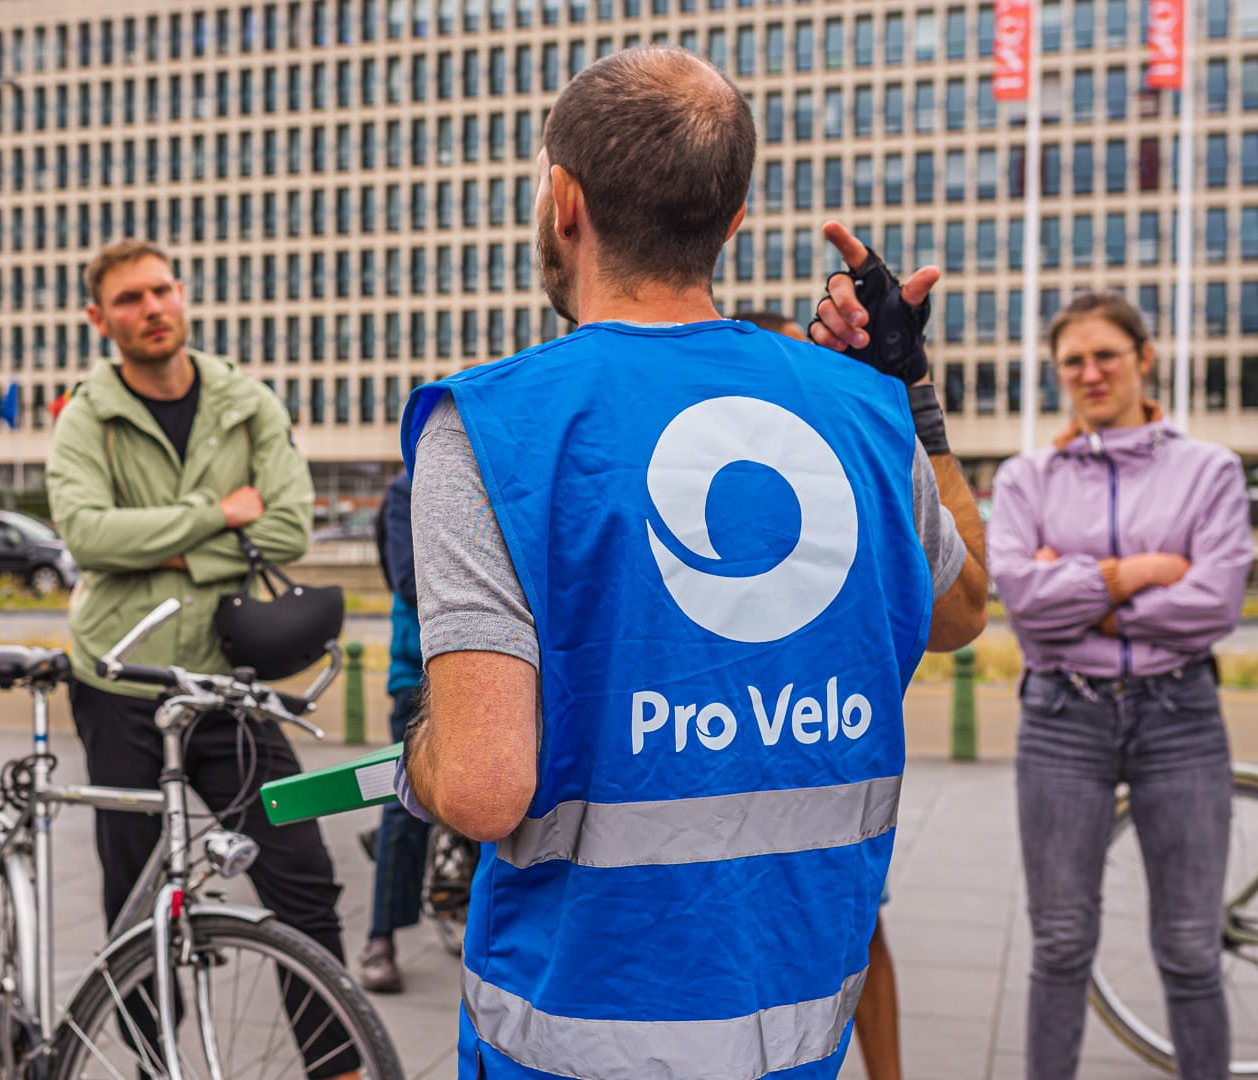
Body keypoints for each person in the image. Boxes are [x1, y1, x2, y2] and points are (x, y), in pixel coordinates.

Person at [395, 46, 989, 1079]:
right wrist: (907, 393)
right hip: (798, 1031)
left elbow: (488, 788)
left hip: (572, 1034)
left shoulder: (493, 425)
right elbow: (965, 610)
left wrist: (419, 755)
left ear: (565, 204)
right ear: (732, 223)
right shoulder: (861, 412)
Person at [45, 239, 356, 1075]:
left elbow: (288, 525)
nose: (150, 309)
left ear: (181, 295)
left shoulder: (245, 402)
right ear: (98, 318)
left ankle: (343, 1065)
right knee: (135, 898)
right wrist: (217, 516)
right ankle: (157, 1065)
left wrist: (163, 545)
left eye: (160, 291)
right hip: (120, 680)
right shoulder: (88, 416)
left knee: (303, 874)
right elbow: (85, 536)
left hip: (226, 685)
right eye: (129, 299)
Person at [982, 291, 1252, 1080]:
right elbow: (1020, 601)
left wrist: (1078, 599)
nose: (1090, 372)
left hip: (1182, 719)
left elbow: (1214, 607)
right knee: (1060, 945)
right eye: (1073, 361)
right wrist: (1136, 575)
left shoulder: (1208, 472)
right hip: (1063, 719)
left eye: (1106, 355)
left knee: (1192, 950)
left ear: (1144, 358)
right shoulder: (1029, 478)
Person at [744, 310, 903, 1080]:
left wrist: (909, 391)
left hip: (819, 766)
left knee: (857, 930)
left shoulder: (836, 478)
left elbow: (962, 606)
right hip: (730, 773)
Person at [358, 469, 429, 993]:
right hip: (419, 667)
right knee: (405, 801)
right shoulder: (409, 488)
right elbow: (407, 579)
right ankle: (379, 938)